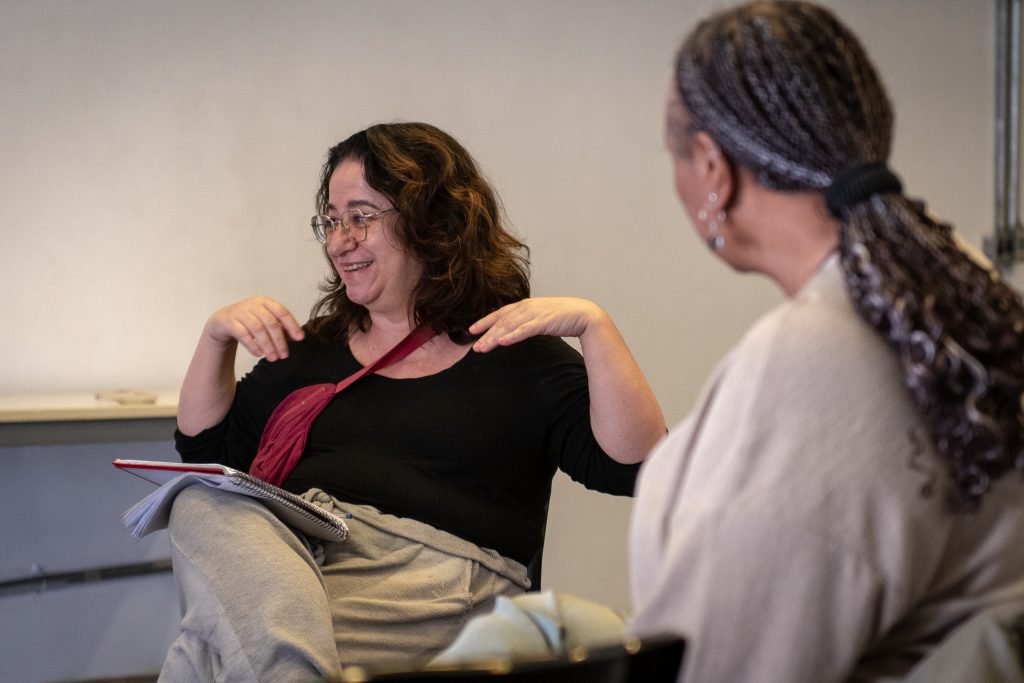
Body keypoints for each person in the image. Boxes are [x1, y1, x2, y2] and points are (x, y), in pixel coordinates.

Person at [161, 121, 666, 681]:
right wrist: (215, 340)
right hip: (306, 579)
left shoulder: (514, 354)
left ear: (432, 224)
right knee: (196, 502)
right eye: (331, 220)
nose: (338, 240)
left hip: (433, 591)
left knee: (204, 655)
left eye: (360, 217)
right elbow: (207, 451)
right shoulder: (316, 350)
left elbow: (637, 466)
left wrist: (596, 327)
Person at [627, 2, 1024, 682]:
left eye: (675, 153)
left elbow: (729, 661)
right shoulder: (970, 299)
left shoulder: (810, 363)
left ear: (712, 169)